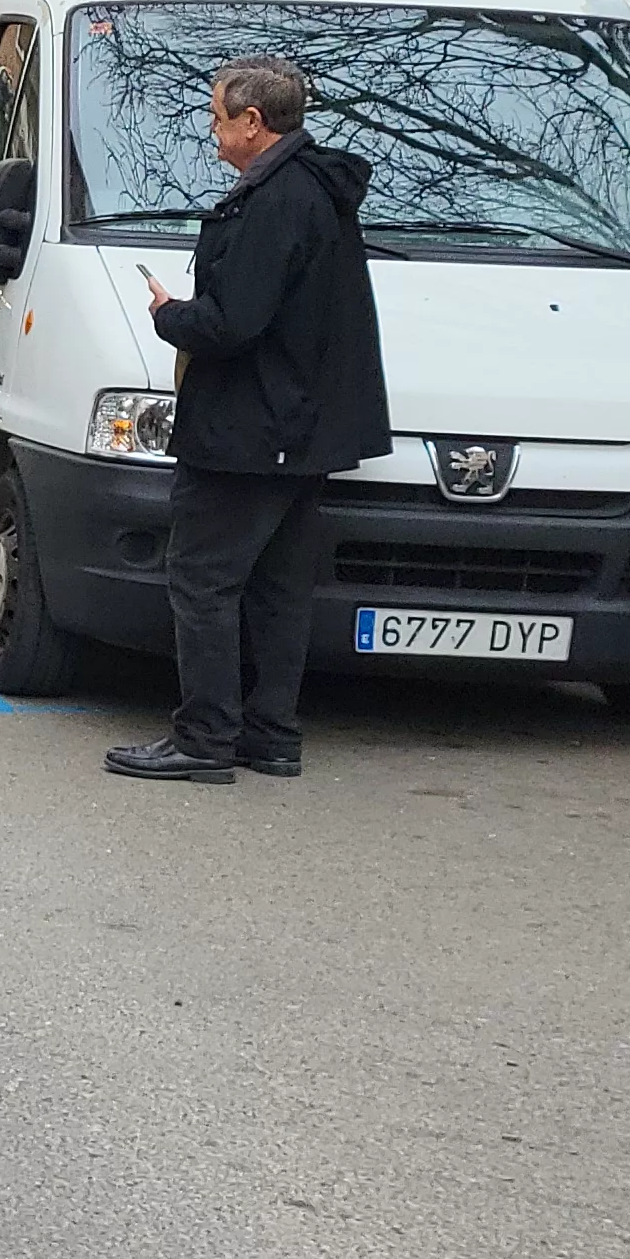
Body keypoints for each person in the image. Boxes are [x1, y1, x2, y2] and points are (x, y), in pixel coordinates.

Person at [114, 56, 389, 786]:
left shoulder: (275, 202)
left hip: (250, 427)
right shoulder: (317, 188)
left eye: (217, 118)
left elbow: (234, 321)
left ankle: (204, 737)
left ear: (252, 122)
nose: (212, 132)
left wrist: (171, 315)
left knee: (201, 579)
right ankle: (271, 734)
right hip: (301, 427)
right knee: (278, 589)